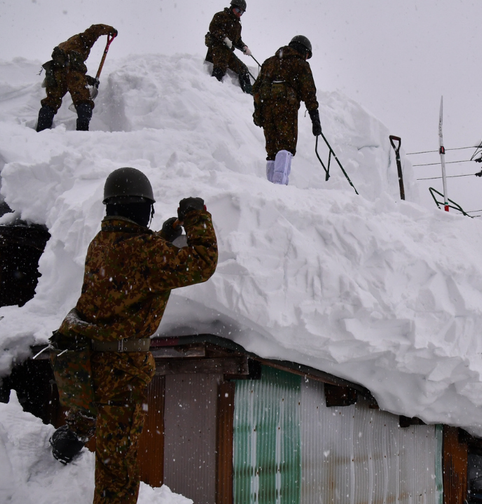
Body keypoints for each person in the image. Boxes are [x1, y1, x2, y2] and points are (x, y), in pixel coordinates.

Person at [48, 167, 218, 504]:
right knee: (119, 472)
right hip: (120, 369)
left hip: (90, 361)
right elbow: (203, 263)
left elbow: (135, 261)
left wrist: (164, 236)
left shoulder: (102, 243)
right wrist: (197, 218)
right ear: (143, 208)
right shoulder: (144, 252)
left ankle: (73, 436)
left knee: (105, 435)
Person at [252, 35, 321, 185]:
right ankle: (279, 186)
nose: (306, 58)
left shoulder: (269, 62)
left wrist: (258, 111)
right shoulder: (300, 64)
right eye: (307, 55)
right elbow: (309, 93)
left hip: (267, 110)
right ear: (303, 50)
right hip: (286, 110)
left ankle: (270, 185)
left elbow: (256, 89)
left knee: (272, 149)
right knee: (285, 145)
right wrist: (315, 118)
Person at [36, 24, 117, 132]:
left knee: (51, 101)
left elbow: (66, 73)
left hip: (55, 72)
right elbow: (94, 30)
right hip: (72, 73)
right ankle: (82, 133)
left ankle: (41, 131)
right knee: (83, 100)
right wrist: (110, 30)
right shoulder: (83, 40)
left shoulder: (64, 46)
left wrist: (88, 79)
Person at [204, 0, 253, 94]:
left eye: (242, 12)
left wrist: (244, 47)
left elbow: (237, 41)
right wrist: (224, 38)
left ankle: (248, 94)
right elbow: (213, 28)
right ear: (232, 7)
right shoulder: (220, 16)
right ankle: (211, 91)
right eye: (238, 10)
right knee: (220, 67)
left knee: (243, 69)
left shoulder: (238, 25)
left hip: (228, 52)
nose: (240, 14)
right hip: (217, 48)